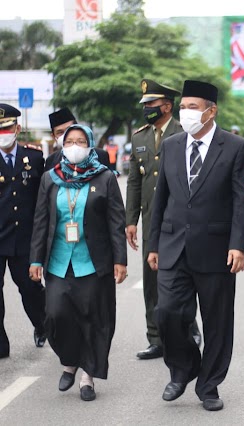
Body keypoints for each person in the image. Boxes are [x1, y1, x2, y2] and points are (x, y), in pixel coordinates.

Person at [147, 80, 244, 412]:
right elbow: (160, 196)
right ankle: (183, 368)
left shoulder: (235, 146)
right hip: (173, 245)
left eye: (193, 107)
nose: (186, 113)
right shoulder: (173, 144)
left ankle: (209, 385)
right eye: (183, 107)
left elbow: (240, 201)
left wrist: (239, 245)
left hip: (217, 249)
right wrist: (153, 244)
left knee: (217, 322)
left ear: (211, 111)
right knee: (166, 313)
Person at [29, 124, 127, 401]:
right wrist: (35, 259)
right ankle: (69, 361)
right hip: (58, 261)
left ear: (90, 145)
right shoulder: (51, 178)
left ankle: (87, 376)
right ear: (61, 144)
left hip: (94, 262)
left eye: (80, 141)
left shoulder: (105, 177)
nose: (74, 145)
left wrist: (120, 260)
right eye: (69, 140)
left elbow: (116, 222)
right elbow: (40, 221)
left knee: (94, 319)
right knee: (56, 314)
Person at [125, 79, 200, 361]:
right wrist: (131, 220)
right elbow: (134, 181)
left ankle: (189, 328)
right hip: (150, 221)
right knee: (152, 280)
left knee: (184, 276)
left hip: (181, 220)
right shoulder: (139, 138)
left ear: (167, 106)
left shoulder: (185, 133)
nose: (146, 109)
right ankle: (155, 338)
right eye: (144, 105)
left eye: (151, 105)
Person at [0, 103, 46, 359]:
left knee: (30, 288)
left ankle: (41, 325)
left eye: (6, 128)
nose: (3, 133)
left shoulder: (35, 158)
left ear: (17, 127)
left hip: (24, 237)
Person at [45, 108, 110, 171]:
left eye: (69, 129)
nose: (66, 135)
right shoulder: (50, 161)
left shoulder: (101, 156)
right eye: (60, 132)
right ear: (54, 137)